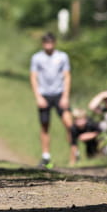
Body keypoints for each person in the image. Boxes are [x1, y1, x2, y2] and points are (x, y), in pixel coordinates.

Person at [30, 32, 73, 168]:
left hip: (59, 93)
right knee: (44, 125)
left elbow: (67, 76)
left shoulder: (62, 57)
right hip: (44, 94)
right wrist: (38, 96)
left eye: (50, 43)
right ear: (43, 44)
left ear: (54, 43)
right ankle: (46, 156)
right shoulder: (37, 58)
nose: (48, 46)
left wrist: (65, 96)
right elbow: (33, 77)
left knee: (68, 122)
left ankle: (73, 153)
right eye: (46, 43)